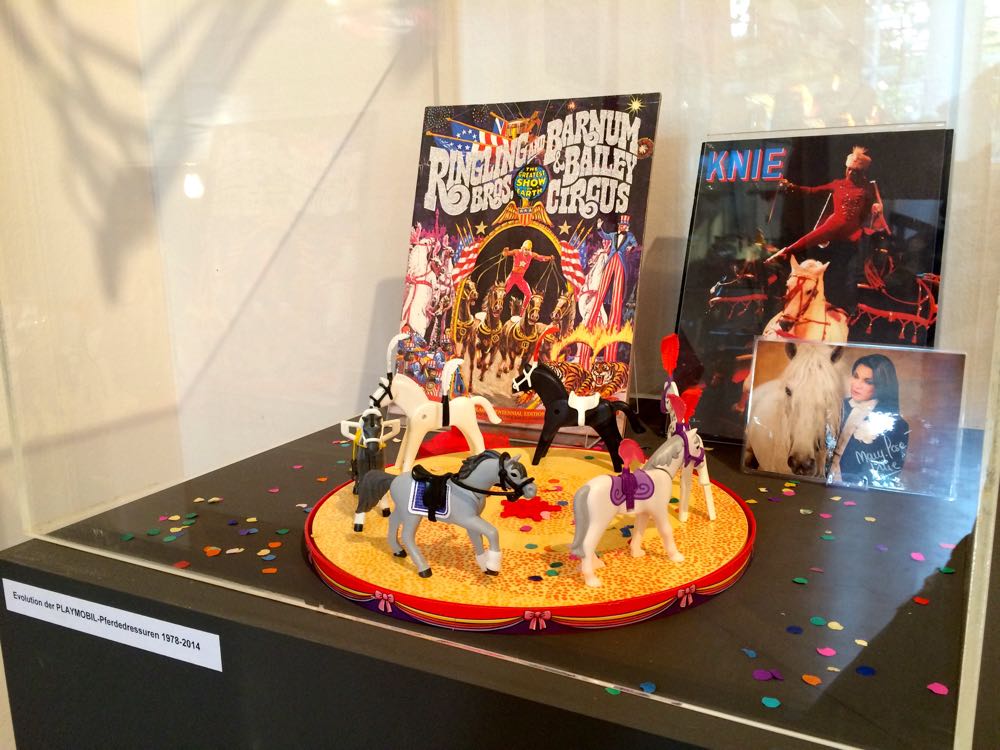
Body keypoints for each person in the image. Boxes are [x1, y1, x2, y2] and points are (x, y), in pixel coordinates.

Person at [769, 146, 887, 262]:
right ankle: (780, 255)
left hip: (853, 231)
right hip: (834, 225)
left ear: (861, 172)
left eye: (855, 171)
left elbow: (873, 206)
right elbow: (812, 191)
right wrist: (791, 186)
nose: (850, 172)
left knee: (865, 255)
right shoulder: (837, 184)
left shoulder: (868, 187)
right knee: (805, 241)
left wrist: (876, 207)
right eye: (849, 169)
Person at [829, 354, 909, 488]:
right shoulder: (837, 407)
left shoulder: (897, 426)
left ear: (882, 386)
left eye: (868, 382)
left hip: (857, 490)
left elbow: (887, 474)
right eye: (856, 376)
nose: (857, 385)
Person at [502, 239, 553, 314]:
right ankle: (496, 306)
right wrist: (505, 251)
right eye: (525, 249)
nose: (526, 251)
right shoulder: (517, 252)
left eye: (528, 250)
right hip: (512, 276)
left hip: (520, 278)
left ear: (530, 250)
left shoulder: (531, 255)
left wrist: (550, 258)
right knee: (503, 293)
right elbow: (506, 253)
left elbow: (541, 258)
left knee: (529, 294)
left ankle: (522, 313)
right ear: (522, 248)